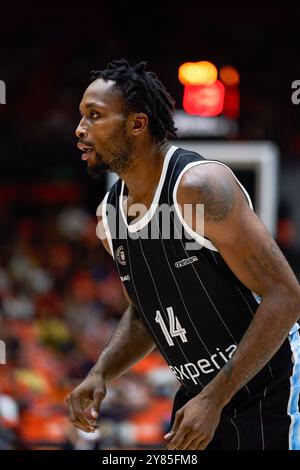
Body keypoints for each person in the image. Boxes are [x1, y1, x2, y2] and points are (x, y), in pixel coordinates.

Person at [67, 59, 300, 450]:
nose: (80, 129)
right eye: (81, 116)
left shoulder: (199, 188)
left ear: (137, 124)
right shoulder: (110, 218)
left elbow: (286, 295)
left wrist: (214, 396)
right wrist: (102, 372)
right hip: (206, 395)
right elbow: (145, 314)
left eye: (94, 116)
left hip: (277, 385)